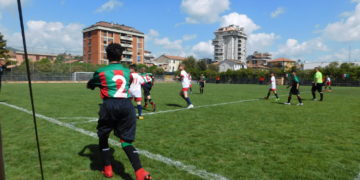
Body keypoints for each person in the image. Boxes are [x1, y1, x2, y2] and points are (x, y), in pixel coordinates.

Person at [87, 43, 151, 180]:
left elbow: (91, 84)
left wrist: (93, 84)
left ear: (106, 56)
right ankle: (140, 172)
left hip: (109, 104)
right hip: (127, 105)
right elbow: (135, 81)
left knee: (103, 137)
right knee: (126, 140)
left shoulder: (101, 71)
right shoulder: (129, 72)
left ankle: (108, 169)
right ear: (121, 56)